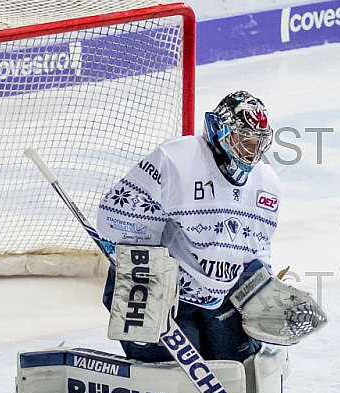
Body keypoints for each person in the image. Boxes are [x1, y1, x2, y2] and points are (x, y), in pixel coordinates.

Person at [96, 90, 279, 364]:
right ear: (219, 131)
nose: (250, 151)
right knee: (171, 372)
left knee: (239, 366)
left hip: (219, 294)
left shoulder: (268, 184)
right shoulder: (176, 161)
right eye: (242, 139)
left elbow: (258, 249)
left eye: (256, 142)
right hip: (161, 288)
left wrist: (263, 285)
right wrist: (148, 277)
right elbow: (118, 215)